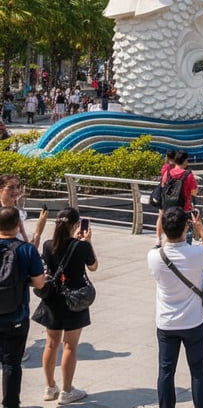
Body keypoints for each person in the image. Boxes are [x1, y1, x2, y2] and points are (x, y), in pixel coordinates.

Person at [147, 206, 203, 408]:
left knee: (166, 371)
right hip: (194, 321)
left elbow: (160, 245)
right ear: (186, 226)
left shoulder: (154, 257)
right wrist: (200, 226)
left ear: (163, 228)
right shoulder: (197, 254)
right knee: (198, 370)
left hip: (167, 323)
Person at [39, 207, 98, 405]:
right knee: (70, 346)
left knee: (51, 343)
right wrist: (88, 242)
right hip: (75, 300)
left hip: (53, 299)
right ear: (76, 225)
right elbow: (93, 267)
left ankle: (49, 387)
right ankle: (67, 390)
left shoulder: (48, 245)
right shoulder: (81, 247)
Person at [0, 206, 46, 408]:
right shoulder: (26, 250)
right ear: (18, 224)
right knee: (11, 363)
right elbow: (40, 283)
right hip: (16, 316)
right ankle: (10, 404)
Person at [0, 174, 47, 248]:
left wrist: (39, 229)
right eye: (11, 187)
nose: (16, 191)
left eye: (18, 187)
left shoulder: (19, 211)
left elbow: (25, 240)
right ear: (1, 189)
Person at [154, 150, 177, 249]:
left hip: (162, 194)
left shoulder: (165, 167)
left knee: (160, 216)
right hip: (169, 195)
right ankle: (168, 239)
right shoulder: (173, 168)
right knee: (170, 216)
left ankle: (158, 238)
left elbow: (162, 183)